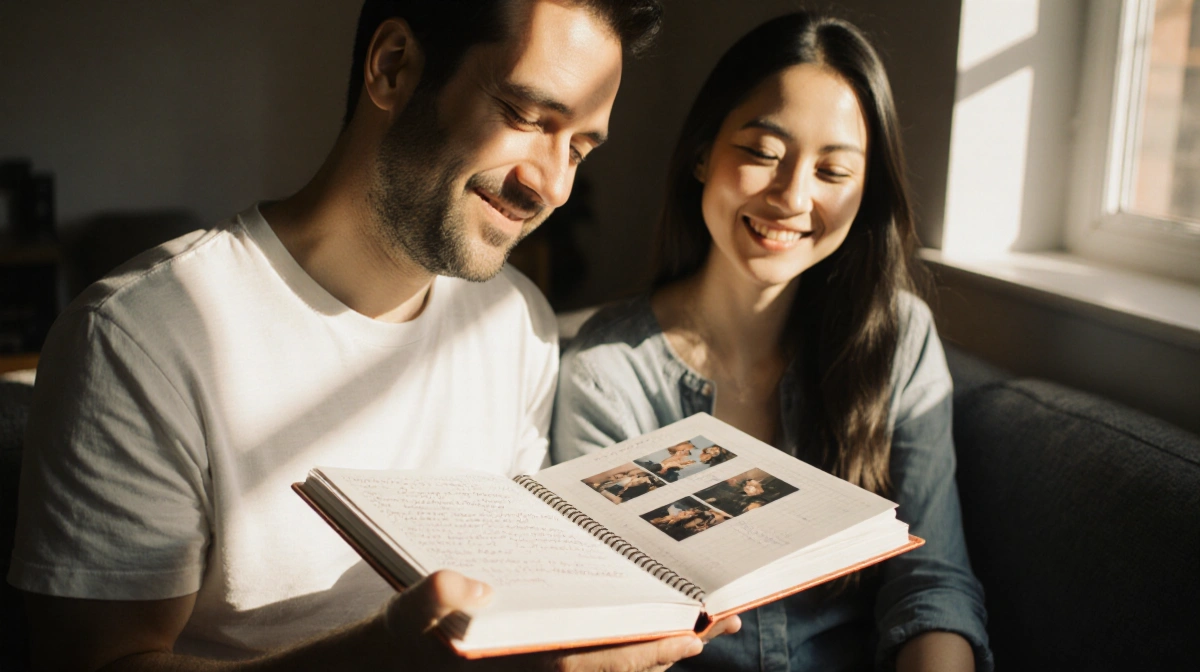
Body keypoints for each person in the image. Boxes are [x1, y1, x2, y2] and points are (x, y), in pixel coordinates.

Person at [8, 1, 739, 669]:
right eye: (525, 115)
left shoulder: (517, 323)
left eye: (578, 149)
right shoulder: (138, 338)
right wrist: (381, 659)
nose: (553, 186)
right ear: (393, 68)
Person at [553, 11, 992, 672]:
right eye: (762, 153)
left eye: (833, 171)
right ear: (703, 153)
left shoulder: (897, 342)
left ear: (866, 191)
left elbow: (931, 586)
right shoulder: (608, 373)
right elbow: (616, 623)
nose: (792, 196)